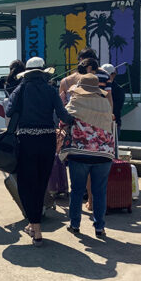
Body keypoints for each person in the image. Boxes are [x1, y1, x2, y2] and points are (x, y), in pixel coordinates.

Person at [6, 57, 73, 246]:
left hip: (26, 141)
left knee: (26, 185)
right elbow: (63, 115)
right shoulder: (51, 91)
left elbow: (9, 112)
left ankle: (35, 228)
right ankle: (34, 225)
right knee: (41, 183)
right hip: (47, 141)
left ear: (26, 74)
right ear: (43, 73)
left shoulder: (21, 90)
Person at [61, 73, 115, 237]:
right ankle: (99, 227)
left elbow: (63, 122)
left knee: (77, 190)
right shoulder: (105, 104)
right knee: (99, 192)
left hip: (79, 154)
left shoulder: (76, 101)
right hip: (104, 154)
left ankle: (75, 224)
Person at [101, 63, 125, 135]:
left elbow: (116, 108)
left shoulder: (118, 90)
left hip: (112, 123)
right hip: (107, 122)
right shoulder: (119, 89)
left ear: (113, 75)